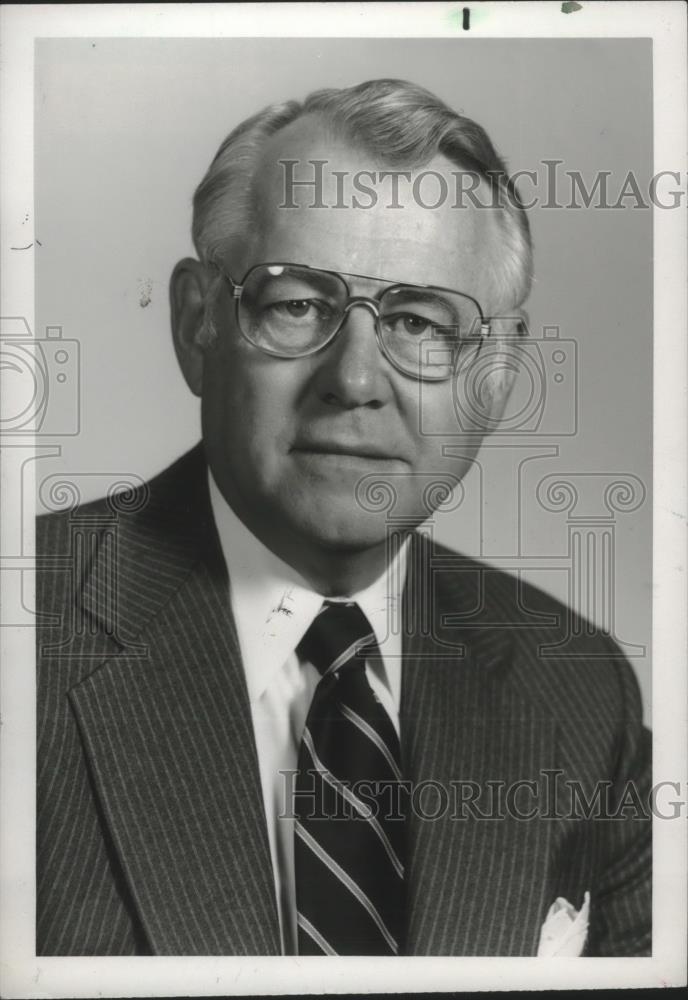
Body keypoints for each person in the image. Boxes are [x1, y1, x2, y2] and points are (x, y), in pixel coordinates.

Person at [36, 78, 651, 957]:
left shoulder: (582, 695)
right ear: (197, 324)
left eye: (419, 321)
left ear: (503, 370)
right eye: (298, 305)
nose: (356, 380)